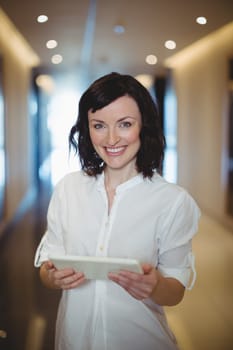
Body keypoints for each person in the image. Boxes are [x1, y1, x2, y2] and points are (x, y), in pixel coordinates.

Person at [34, 72, 200, 350]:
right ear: (87, 130)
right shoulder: (68, 189)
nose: (111, 139)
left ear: (143, 127)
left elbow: (176, 291)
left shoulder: (173, 201)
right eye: (99, 125)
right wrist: (52, 277)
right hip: (73, 341)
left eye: (124, 124)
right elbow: (46, 268)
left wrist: (155, 286)